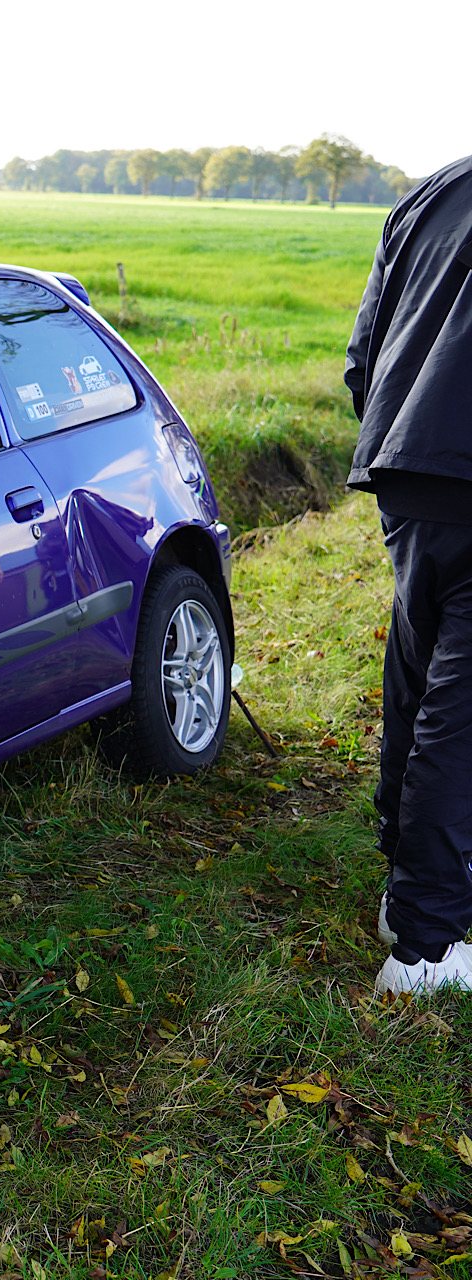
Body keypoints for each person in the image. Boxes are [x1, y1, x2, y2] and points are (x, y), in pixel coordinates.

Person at [344, 154, 472, 994]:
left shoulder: (438, 187)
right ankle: (426, 948)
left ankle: (404, 893)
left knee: (421, 678)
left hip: (409, 473)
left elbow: (363, 354)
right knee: (458, 720)